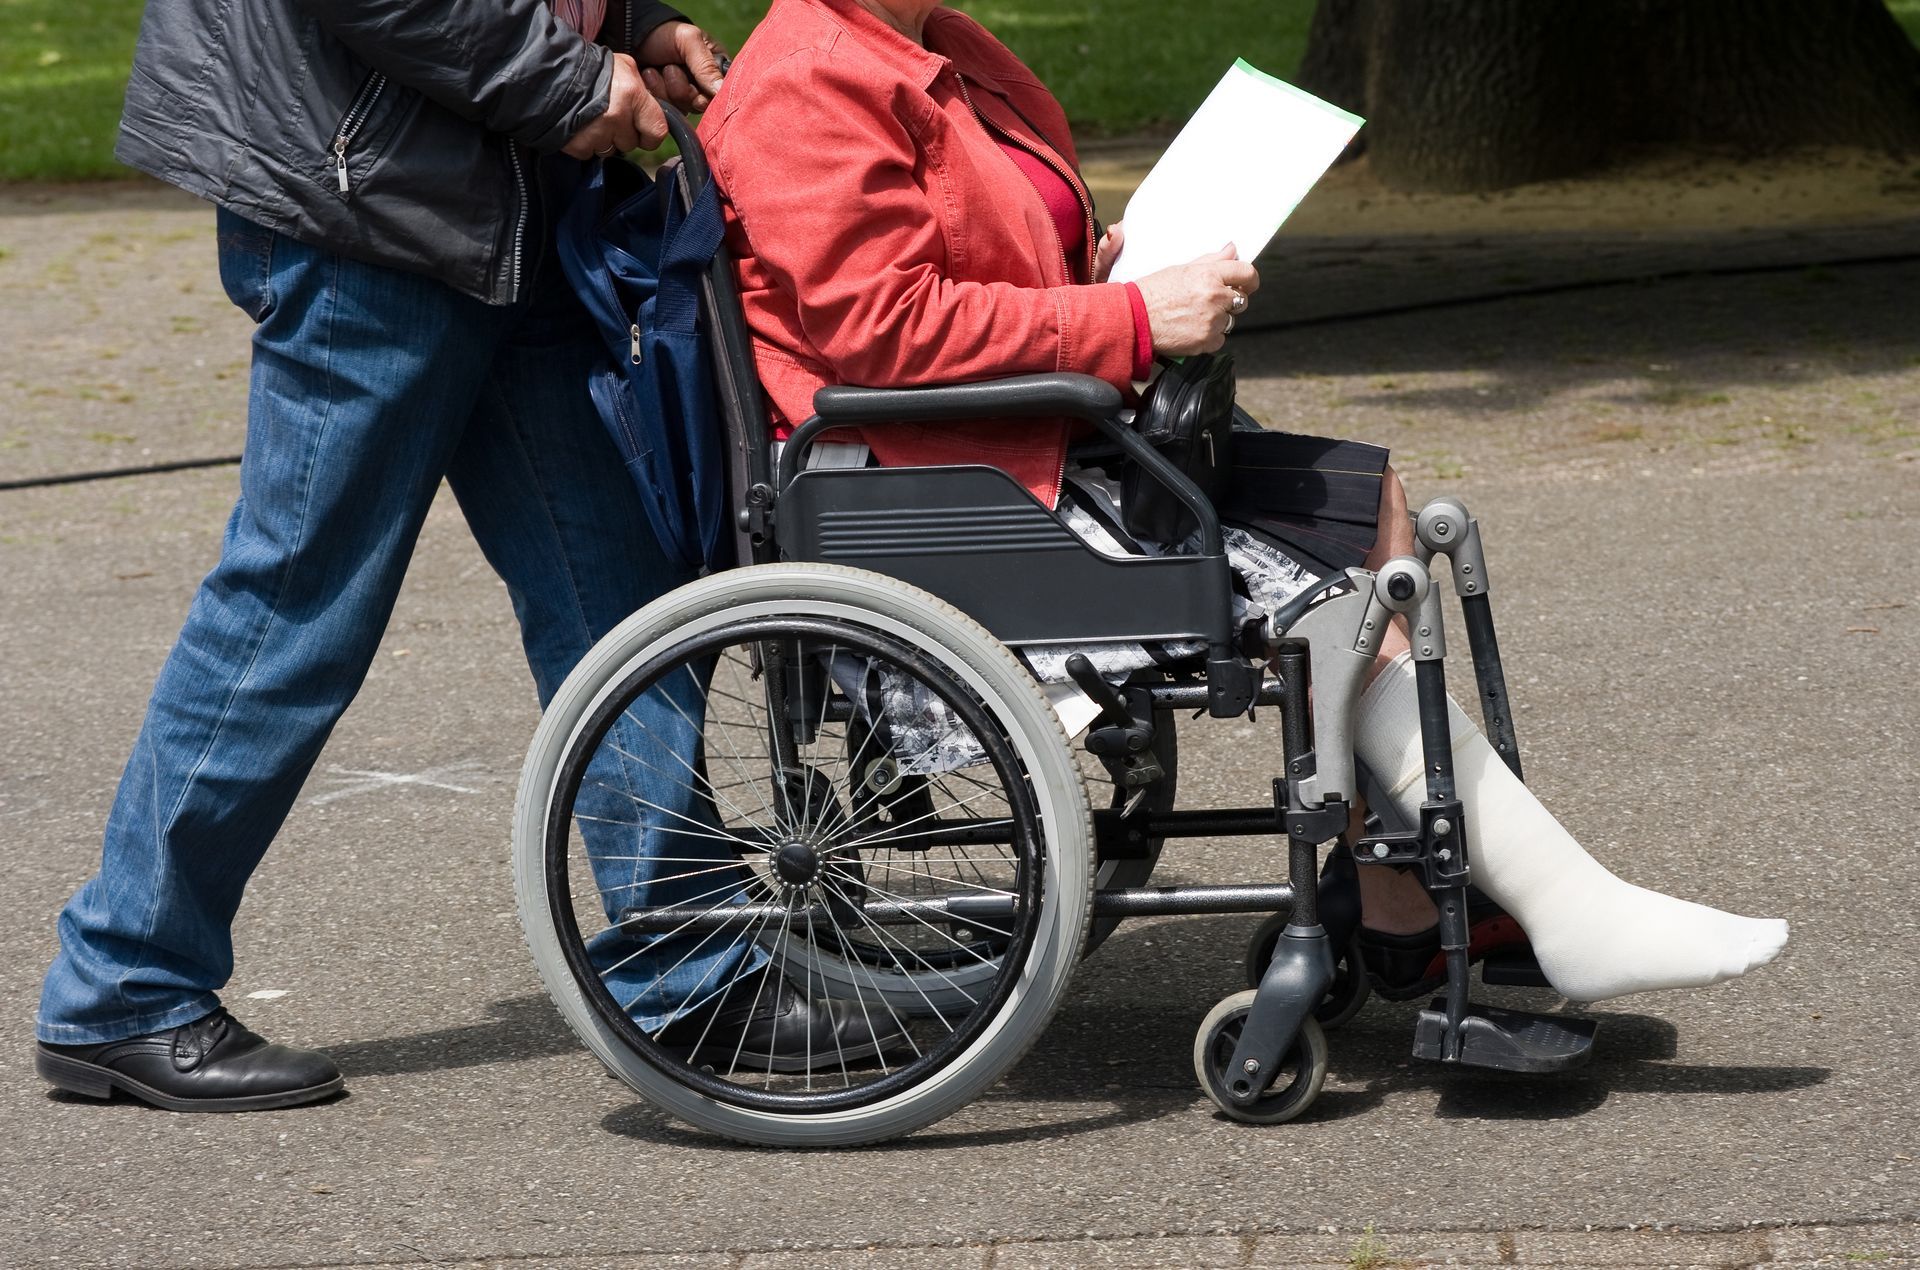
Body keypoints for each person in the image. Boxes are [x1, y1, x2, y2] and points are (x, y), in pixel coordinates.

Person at [697, 0, 1789, 1007]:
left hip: (1027, 438)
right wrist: (1125, 318)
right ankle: (1563, 903)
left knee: (1369, 504)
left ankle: (1400, 900)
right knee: (1332, 597)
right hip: (944, 494)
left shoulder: (932, 40)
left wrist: (1103, 267)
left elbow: (971, 246)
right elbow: (884, 334)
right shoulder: (808, 85)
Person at [35, 0, 897, 1115]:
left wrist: (635, 21)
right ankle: (125, 985)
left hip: (501, 191)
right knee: (297, 607)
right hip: (370, 212)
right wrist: (573, 85)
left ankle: (690, 968)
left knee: (614, 599)